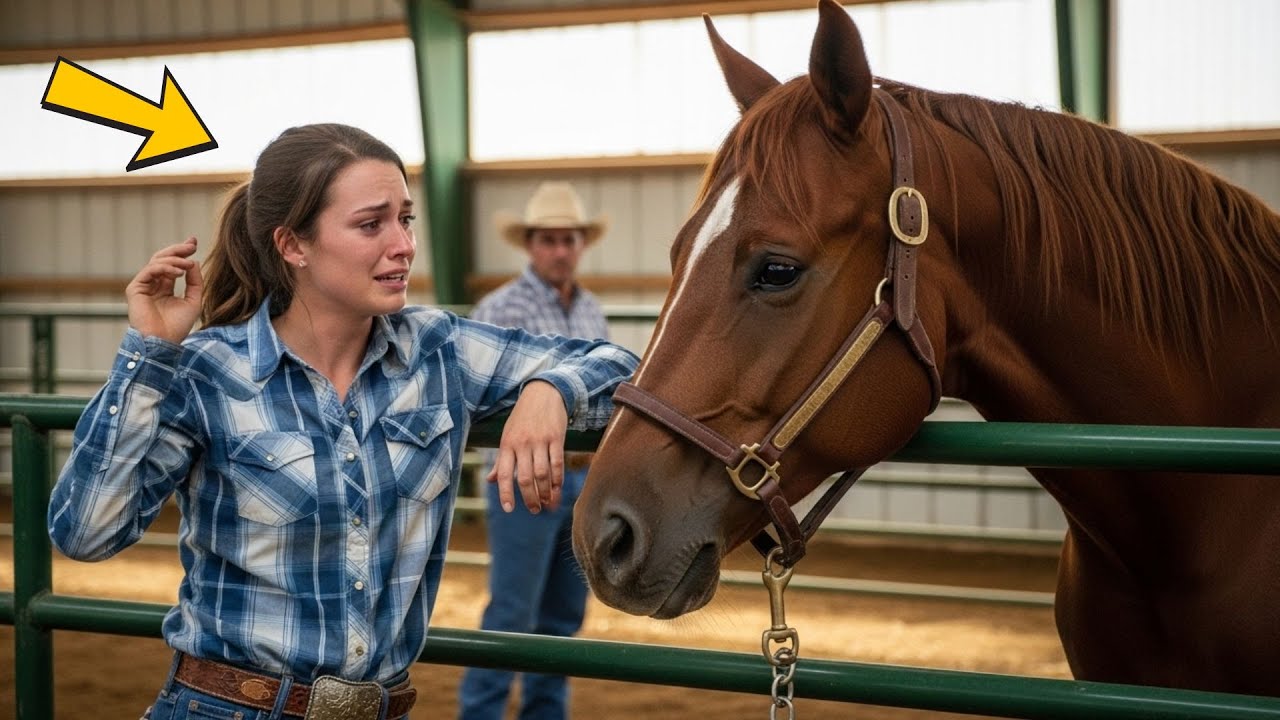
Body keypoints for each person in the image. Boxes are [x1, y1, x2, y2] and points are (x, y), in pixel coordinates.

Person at [46, 124, 639, 720]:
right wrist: (148, 354)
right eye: (370, 224)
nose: (404, 244)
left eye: (405, 219)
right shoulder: (210, 371)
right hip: (228, 707)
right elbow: (88, 533)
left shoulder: (438, 351)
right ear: (293, 245)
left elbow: (626, 368)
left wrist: (549, 389)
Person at [457, 182, 610, 720]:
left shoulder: (590, 310)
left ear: (580, 244)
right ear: (531, 245)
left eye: (568, 239)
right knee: (512, 614)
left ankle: (543, 714)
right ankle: (481, 714)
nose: (560, 250)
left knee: (564, 617)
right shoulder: (500, 308)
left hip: (581, 481)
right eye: (549, 240)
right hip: (521, 481)